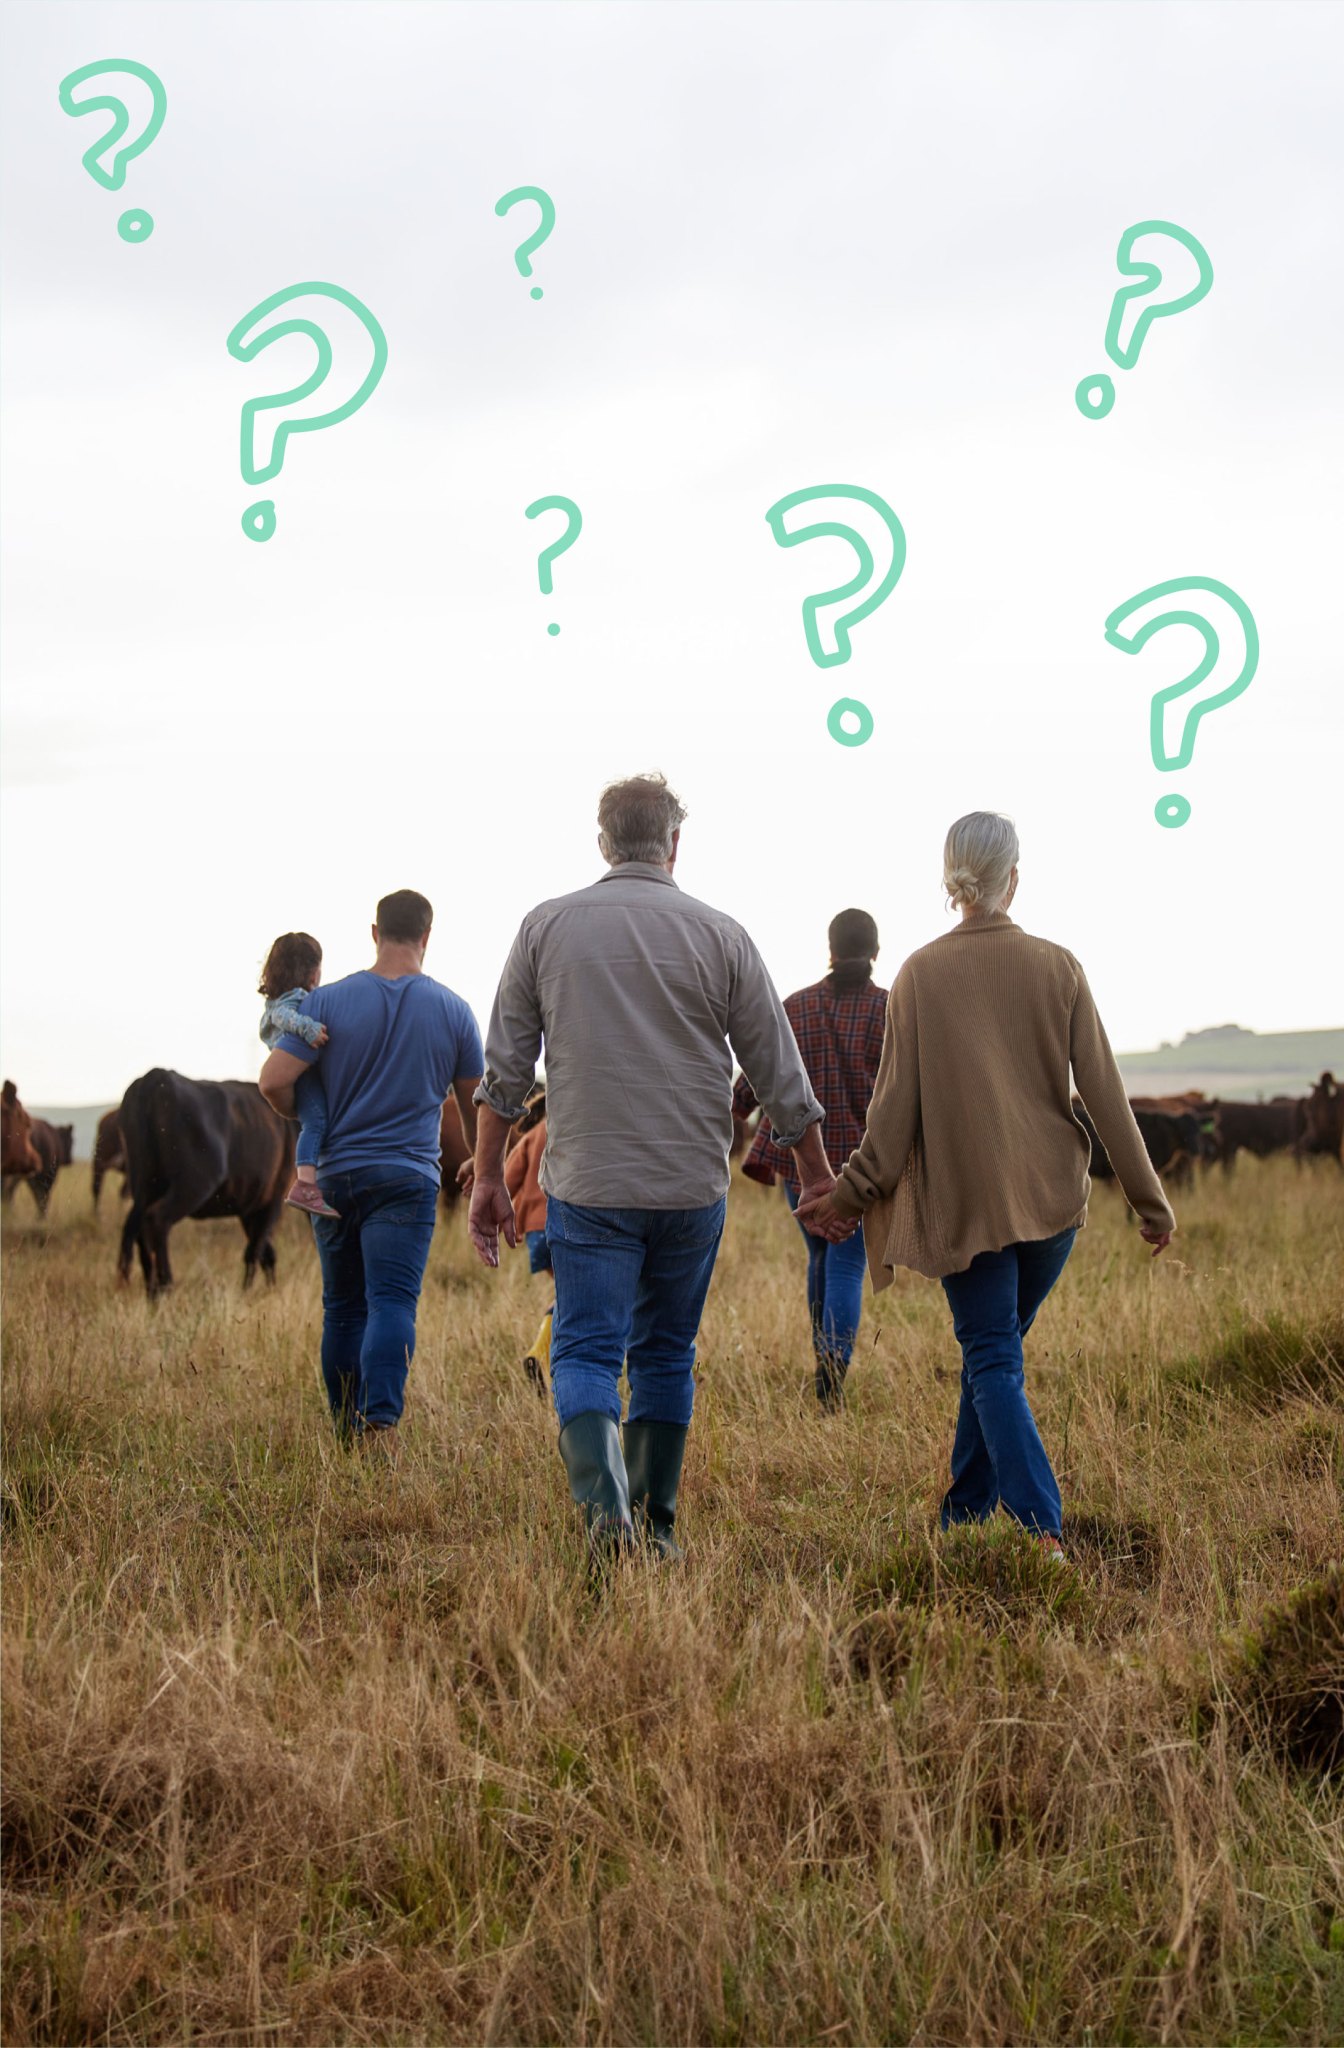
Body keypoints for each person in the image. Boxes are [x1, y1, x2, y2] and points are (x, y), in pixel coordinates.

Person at [467, 772, 836, 1561]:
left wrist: (491, 1177)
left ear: (603, 843)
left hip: (589, 1186)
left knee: (587, 1351)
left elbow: (502, 1074)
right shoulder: (723, 935)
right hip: (688, 1185)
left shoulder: (544, 927)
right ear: (674, 843)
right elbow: (779, 1070)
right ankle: (657, 1530)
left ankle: (607, 1522)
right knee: (668, 1353)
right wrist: (817, 1173)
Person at [797, 813, 1175, 1562]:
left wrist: (848, 1195)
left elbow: (892, 1112)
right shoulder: (1058, 965)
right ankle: (964, 1515)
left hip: (965, 1211)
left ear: (952, 880)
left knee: (993, 1358)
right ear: (1014, 877)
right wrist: (1148, 1199)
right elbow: (1105, 1094)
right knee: (991, 1356)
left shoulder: (919, 975)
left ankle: (1042, 1532)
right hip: (1052, 1207)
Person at [258, 889, 484, 1453]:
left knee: (342, 1307)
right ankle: (380, 1423)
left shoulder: (325, 1002)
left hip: (333, 1176)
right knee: (391, 1303)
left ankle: (345, 1430)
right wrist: (482, 1162)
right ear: (427, 937)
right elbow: (476, 1101)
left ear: (374, 932)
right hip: (407, 1179)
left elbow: (271, 1081)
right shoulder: (455, 1010)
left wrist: (310, 1116)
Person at [735, 909, 888, 1411]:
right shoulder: (890, 1011)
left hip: (800, 1164)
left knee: (820, 1256)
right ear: (876, 950)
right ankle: (832, 1377)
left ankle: (824, 1366)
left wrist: (737, 1111)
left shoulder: (793, 1009)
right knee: (846, 1264)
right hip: (864, 1167)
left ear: (830, 948)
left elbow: (750, 1084)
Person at [258, 931, 339, 1219]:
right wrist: (308, 1028)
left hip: (301, 1072)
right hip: (301, 1075)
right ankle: (304, 1184)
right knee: (315, 1121)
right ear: (310, 971)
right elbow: (283, 1018)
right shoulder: (290, 1001)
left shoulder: (282, 998)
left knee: (315, 1120)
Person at [505, 1088, 553, 1394]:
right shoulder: (575, 1128)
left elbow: (507, 1179)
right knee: (576, 1298)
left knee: (570, 1293)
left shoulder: (532, 1135)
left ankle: (542, 1353)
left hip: (536, 1232)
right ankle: (540, 1352)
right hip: (567, 1225)